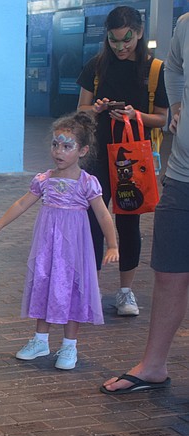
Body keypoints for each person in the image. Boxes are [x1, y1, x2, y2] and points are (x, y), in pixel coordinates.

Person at [0, 112, 119, 370]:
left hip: (73, 250)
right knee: (44, 285)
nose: (59, 151)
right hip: (47, 247)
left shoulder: (86, 183)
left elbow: (103, 214)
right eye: (55, 144)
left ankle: (69, 346)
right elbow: (23, 202)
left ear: (83, 151)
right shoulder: (44, 180)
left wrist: (112, 245)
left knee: (71, 290)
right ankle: (40, 340)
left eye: (67, 146)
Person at [101, 12, 189, 395]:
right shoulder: (185, 24)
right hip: (181, 173)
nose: (121, 45)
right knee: (169, 272)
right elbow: (174, 66)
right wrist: (178, 109)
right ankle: (153, 365)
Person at [77, 6, 168, 316]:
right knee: (92, 221)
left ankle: (125, 292)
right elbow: (81, 109)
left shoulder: (155, 70)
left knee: (129, 222)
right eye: (114, 41)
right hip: (98, 155)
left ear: (139, 33)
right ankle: (90, 288)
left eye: (126, 40)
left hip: (133, 157)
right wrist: (98, 109)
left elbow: (163, 119)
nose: (120, 47)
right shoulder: (96, 66)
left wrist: (135, 116)